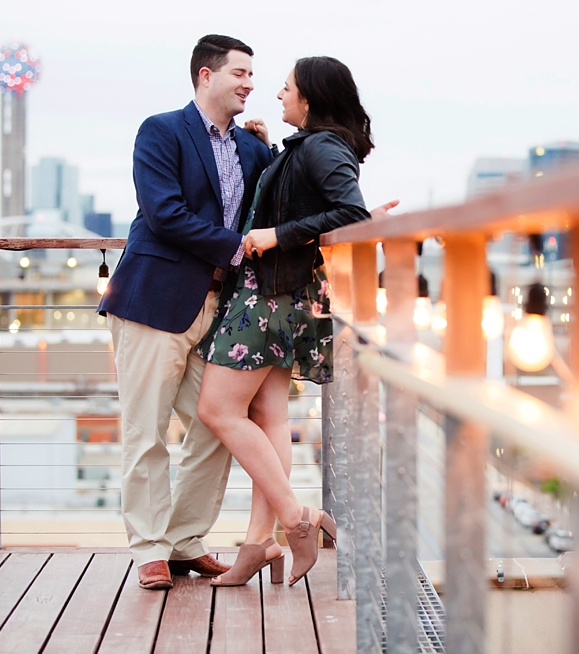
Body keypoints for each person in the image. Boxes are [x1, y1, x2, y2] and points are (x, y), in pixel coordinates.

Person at [196, 56, 381, 587]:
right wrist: (269, 151)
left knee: (217, 409)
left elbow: (351, 212)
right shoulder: (308, 145)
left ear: (309, 98)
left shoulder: (322, 146)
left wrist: (277, 235)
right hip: (283, 290)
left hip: (269, 294)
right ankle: (258, 542)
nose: (278, 95)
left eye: (286, 88)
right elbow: (302, 197)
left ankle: (299, 519)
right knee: (269, 417)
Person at [98, 35, 274, 590]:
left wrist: (272, 148)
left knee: (218, 422)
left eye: (252, 75)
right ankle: (150, 549)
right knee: (146, 430)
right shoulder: (161, 131)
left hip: (218, 307)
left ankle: (182, 542)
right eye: (240, 73)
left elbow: (275, 201)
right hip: (154, 300)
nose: (249, 84)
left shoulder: (252, 150)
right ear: (206, 74)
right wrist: (236, 246)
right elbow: (164, 213)